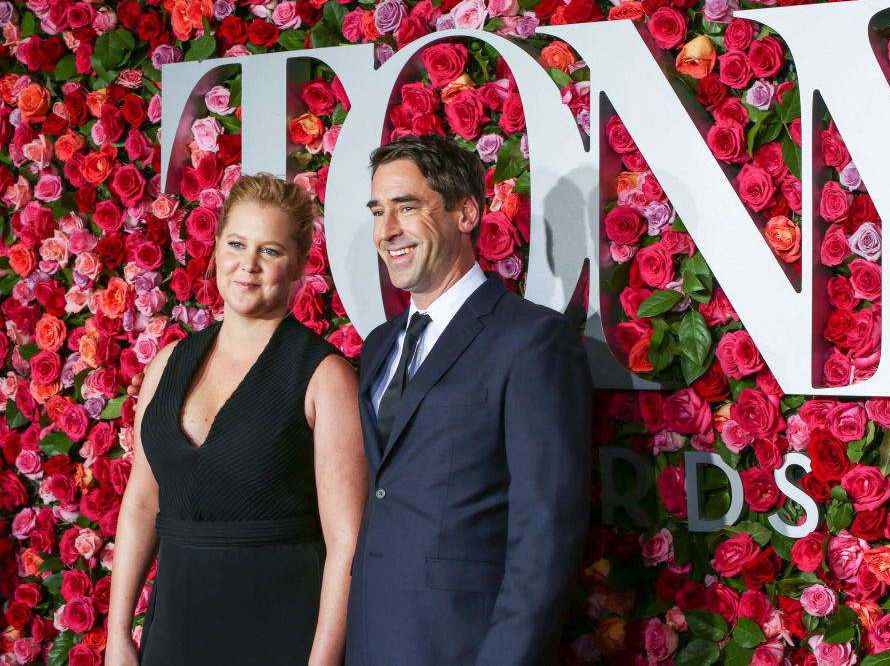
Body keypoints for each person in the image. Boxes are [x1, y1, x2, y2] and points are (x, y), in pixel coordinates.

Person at [347, 134, 591, 665]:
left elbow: (545, 533)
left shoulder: (530, 341)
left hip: (464, 647)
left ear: (466, 213)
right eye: (378, 211)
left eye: (406, 208)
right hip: (371, 640)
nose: (387, 231)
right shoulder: (379, 345)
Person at [105, 174, 366, 666]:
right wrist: (119, 632)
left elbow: (346, 541)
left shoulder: (325, 377)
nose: (248, 264)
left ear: (298, 268)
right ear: (218, 250)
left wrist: (324, 662)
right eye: (237, 244)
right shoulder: (167, 362)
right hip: (174, 633)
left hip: (282, 631)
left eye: (270, 251)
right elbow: (141, 504)